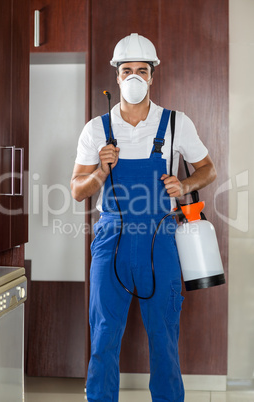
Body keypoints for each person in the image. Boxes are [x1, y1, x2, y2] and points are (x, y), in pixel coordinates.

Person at [71, 33, 216, 402]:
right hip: (111, 237)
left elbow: (208, 170)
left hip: (160, 238)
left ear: (152, 75)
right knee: (104, 334)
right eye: (126, 70)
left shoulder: (174, 124)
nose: (134, 77)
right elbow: (77, 190)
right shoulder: (96, 129)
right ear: (117, 76)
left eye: (141, 70)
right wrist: (101, 172)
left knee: (163, 335)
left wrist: (183, 186)